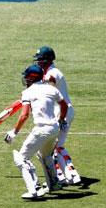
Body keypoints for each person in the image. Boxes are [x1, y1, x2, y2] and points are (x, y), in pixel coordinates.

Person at [4, 65, 68, 200]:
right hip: (54, 128)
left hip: (41, 129)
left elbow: (24, 115)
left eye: (27, 77)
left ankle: (34, 189)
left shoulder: (27, 92)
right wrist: (61, 119)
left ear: (32, 78)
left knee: (21, 158)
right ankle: (54, 184)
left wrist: (14, 132)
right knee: (45, 156)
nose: (25, 79)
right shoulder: (51, 89)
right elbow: (64, 105)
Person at [33, 46, 81, 185]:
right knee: (57, 146)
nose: (38, 63)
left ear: (48, 60)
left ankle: (63, 175)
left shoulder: (51, 74)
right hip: (64, 111)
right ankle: (70, 175)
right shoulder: (52, 72)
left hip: (61, 112)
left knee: (52, 147)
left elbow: (48, 90)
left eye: (40, 60)